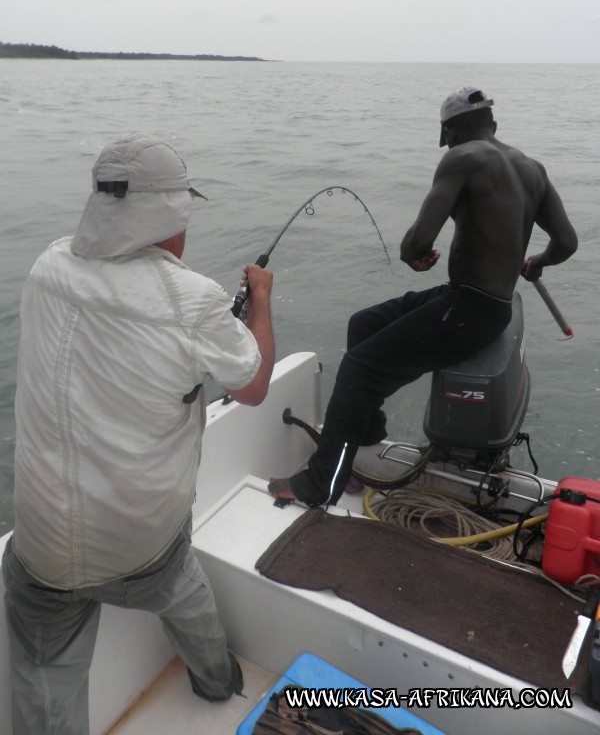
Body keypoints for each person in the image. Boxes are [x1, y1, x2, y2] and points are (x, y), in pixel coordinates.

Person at [2, 134, 275, 734]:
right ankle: (218, 681)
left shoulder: (47, 265)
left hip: (41, 541)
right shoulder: (194, 301)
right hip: (139, 547)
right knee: (180, 581)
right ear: (170, 214)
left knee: (43, 684)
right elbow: (252, 387)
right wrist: (259, 299)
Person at [269, 86, 578, 507]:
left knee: (359, 369)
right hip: (482, 305)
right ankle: (366, 439)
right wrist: (537, 262)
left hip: (468, 311)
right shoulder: (533, 169)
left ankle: (322, 482)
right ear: (493, 125)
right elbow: (566, 242)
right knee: (363, 323)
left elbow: (416, 242)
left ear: (449, 132)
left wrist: (413, 256)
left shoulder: (461, 158)